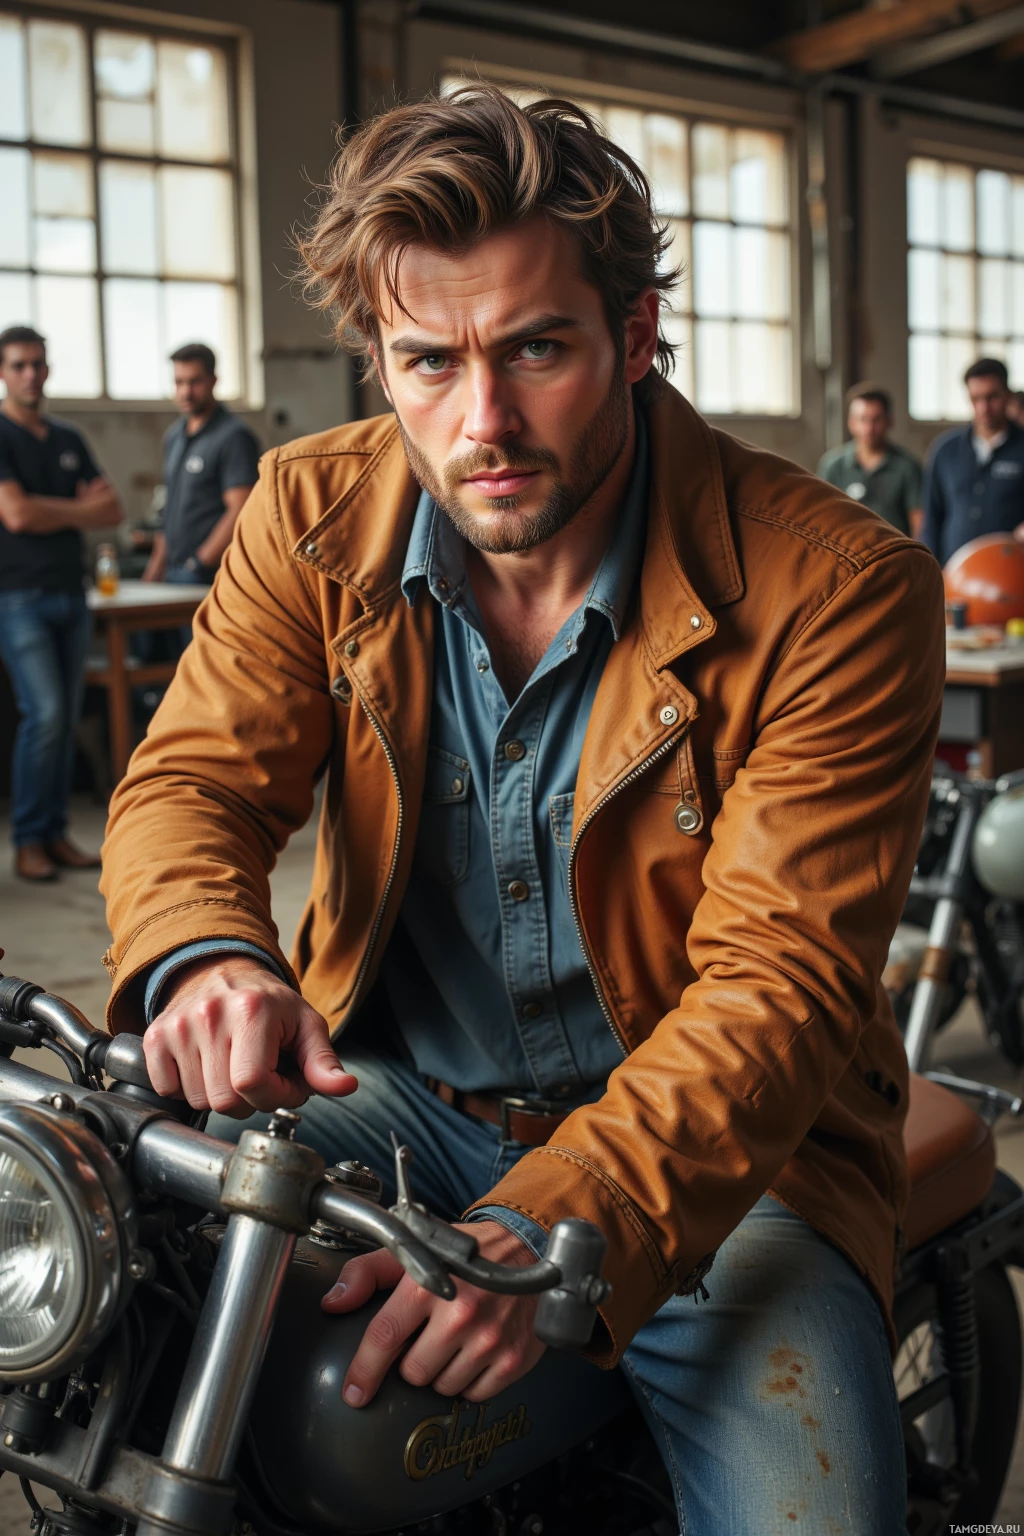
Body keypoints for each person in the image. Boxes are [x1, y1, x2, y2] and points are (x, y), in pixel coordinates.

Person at [101, 89, 945, 1535]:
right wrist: (209, 955)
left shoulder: (838, 590)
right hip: (392, 1100)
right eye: (429, 362)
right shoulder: (309, 517)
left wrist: (562, 1218)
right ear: (380, 358)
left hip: (735, 1167)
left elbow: (780, 985)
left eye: (537, 349)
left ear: (637, 333)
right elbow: (195, 782)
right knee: (117, 1331)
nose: (480, 422)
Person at [0, 326, 123, 882]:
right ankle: (29, 841)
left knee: (66, 718)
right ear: (4, 372)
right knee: (45, 715)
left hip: (72, 596)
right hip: (18, 599)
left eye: (38, 364)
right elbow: (16, 516)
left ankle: (54, 835)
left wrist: (43, 509)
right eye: (19, 365)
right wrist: (76, 511)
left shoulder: (69, 437)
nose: (31, 374)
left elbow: (112, 509)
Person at [143, 343, 259, 593]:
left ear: (213, 381)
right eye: (179, 382)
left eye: (194, 382)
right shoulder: (174, 437)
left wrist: (200, 563)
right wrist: (156, 566)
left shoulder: (233, 437)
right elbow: (169, 508)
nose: (186, 392)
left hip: (210, 577)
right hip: (173, 573)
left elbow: (242, 507)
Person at [922, 356, 1024, 566]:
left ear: (1007, 395)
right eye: (975, 399)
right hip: (954, 573)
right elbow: (932, 518)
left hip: (1011, 573)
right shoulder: (945, 451)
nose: (984, 407)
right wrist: (929, 568)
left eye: (991, 397)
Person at [817, 382, 923, 537]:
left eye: (876, 419)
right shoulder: (832, 465)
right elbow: (821, 517)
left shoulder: (908, 467)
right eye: (862, 419)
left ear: (889, 421)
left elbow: (919, 523)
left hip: (893, 549)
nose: (869, 428)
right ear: (851, 422)